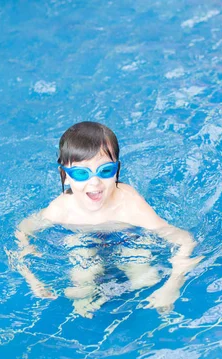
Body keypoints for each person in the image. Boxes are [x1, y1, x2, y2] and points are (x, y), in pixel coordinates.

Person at [12, 121, 199, 317]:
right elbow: (23, 230)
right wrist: (32, 278)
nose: (94, 182)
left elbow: (184, 240)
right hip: (81, 237)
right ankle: (84, 301)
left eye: (105, 170)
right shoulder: (61, 209)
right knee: (82, 277)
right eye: (81, 173)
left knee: (145, 278)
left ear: (117, 170)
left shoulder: (130, 205)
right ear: (65, 176)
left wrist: (172, 287)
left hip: (127, 234)